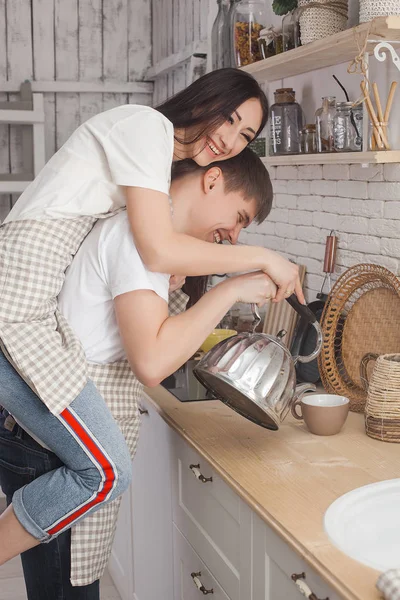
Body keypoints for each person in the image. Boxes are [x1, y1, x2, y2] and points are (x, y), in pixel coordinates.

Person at [0, 67, 301, 566]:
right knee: (107, 470)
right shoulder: (147, 129)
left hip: (27, 315)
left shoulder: (154, 177)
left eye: (245, 135)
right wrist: (260, 260)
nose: (230, 139)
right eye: (230, 118)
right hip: (15, 304)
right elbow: (157, 252)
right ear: (207, 100)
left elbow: (156, 252)